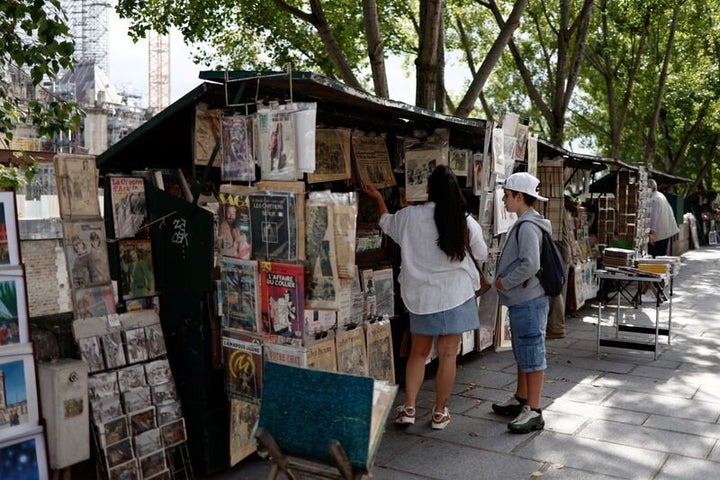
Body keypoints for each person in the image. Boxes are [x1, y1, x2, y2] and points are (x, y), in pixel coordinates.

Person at [363, 165, 487, 430]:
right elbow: (482, 253)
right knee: (448, 355)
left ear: (428, 189)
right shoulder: (464, 220)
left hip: (421, 298)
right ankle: (440, 412)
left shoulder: (409, 216)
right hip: (456, 295)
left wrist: (378, 198)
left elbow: (386, 223)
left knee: (418, 354)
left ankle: (408, 407)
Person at [491, 172, 550, 434]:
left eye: (507, 195)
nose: (504, 200)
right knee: (524, 350)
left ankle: (534, 409)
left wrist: (506, 282)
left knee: (531, 351)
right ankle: (522, 398)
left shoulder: (527, 226)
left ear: (519, 196)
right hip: (526, 298)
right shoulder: (527, 223)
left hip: (527, 297)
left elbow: (530, 263)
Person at [647, 179, 680, 258]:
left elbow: (653, 217)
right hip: (666, 232)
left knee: (656, 258)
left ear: (650, 187)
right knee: (662, 256)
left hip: (658, 235)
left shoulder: (654, 199)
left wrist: (651, 233)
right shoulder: (660, 195)